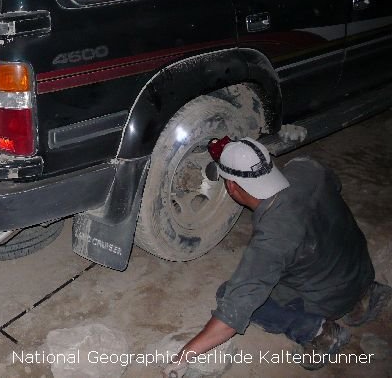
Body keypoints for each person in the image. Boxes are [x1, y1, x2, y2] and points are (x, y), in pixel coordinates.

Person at [163, 136, 391, 376]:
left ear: (231, 186)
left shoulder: (273, 237)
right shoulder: (306, 167)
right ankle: (365, 297)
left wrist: (183, 356)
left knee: (230, 293)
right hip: (360, 271)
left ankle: (318, 332)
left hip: (330, 299)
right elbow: (335, 185)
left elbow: (231, 316)